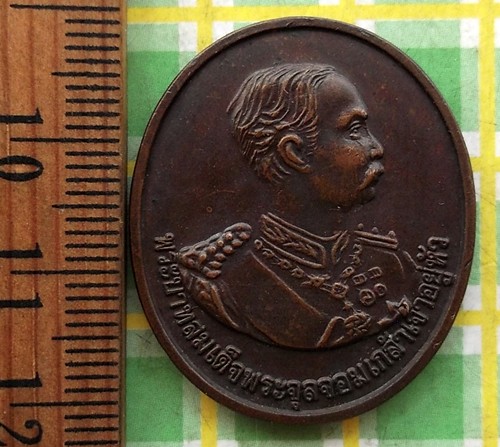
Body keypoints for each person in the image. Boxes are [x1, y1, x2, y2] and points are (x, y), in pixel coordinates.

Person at [177, 63, 415, 350]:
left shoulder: (393, 264)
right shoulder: (223, 284)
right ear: (294, 152)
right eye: (354, 131)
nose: (376, 148)